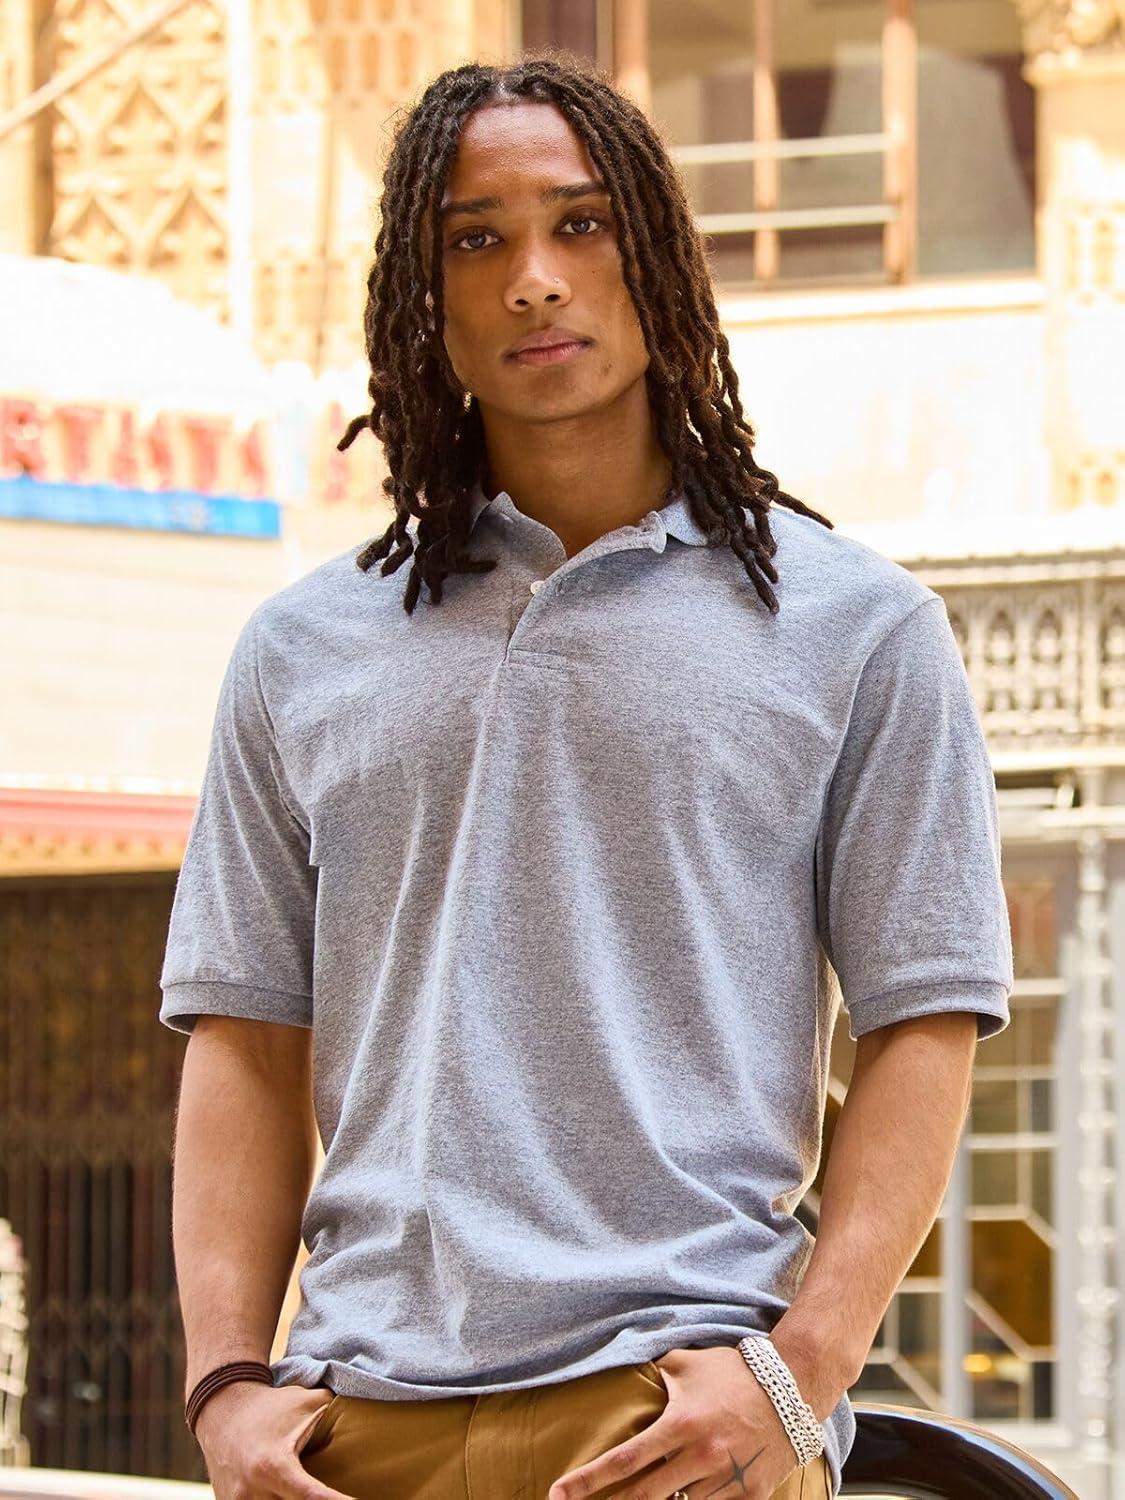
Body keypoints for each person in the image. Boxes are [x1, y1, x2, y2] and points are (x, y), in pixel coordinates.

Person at [159, 53, 1014, 1500]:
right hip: (352, 1425)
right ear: (422, 297)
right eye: (474, 240)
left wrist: (800, 1370)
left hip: (672, 1411)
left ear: (658, 258)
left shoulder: (856, 629)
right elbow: (242, 1032)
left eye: (579, 222)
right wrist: (228, 1386)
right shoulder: (302, 648)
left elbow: (925, 1019)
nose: (534, 281)